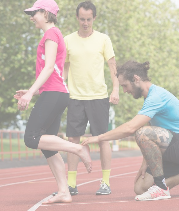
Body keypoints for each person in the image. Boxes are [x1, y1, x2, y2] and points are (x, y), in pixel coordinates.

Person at [81, 60, 179, 201]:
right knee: (140, 188)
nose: (125, 91)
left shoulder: (156, 96)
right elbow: (153, 132)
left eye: (125, 85)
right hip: (171, 149)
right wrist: (146, 162)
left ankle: (162, 188)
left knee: (141, 132)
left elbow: (131, 128)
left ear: (136, 79)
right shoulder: (148, 99)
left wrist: (99, 138)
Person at [14, 0, 92, 204]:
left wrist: (30, 93)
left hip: (55, 93)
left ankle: (76, 148)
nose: (32, 17)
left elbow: (49, 67)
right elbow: (53, 71)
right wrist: (35, 89)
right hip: (54, 92)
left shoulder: (51, 34)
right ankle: (64, 192)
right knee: (48, 146)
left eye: (35, 13)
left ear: (46, 13)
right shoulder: (53, 34)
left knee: (31, 138)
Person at [62, 0, 119, 196]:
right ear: (77, 18)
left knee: (103, 139)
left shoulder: (103, 39)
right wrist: (61, 88)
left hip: (98, 96)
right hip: (75, 96)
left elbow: (113, 67)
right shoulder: (68, 40)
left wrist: (116, 89)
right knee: (72, 140)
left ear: (94, 18)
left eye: (89, 19)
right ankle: (71, 184)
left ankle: (105, 182)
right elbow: (65, 68)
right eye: (82, 19)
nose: (85, 23)